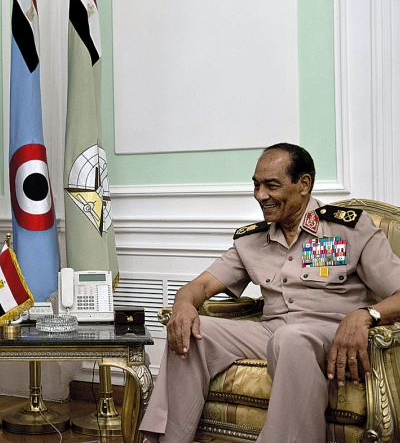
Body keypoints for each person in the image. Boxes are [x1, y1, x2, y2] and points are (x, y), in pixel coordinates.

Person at [139, 143, 400, 443]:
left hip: (330, 334)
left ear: (304, 184)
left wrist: (366, 315)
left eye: (271, 186)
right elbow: (199, 287)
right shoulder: (252, 241)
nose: (260, 195)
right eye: (257, 185)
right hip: (272, 334)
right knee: (193, 331)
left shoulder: (348, 229)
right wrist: (182, 305)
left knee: (291, 339)